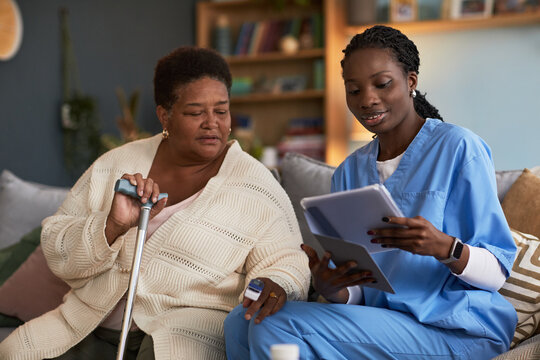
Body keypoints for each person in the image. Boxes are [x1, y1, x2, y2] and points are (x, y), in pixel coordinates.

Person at [224, 25, 517, 359]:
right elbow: (363, 291)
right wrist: (333, 288)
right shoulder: (349, 171)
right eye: (353, 89)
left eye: (382, 84)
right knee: (241, 320)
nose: (367, 100)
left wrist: (445, 247)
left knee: (274, 325)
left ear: (411, 82)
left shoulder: (459, 148)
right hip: (383, 324)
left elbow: (497, 274)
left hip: (458, 329)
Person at [0, 46, 310, 359]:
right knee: (16, 351)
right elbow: (57, 246)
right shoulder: (115, 164)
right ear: (165, 115)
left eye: (221, 110)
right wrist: (112, 227)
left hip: (184, 332)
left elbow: (285, 260)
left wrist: (279, 283)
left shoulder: (256, 184)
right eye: (195, 112)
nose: (211, 123)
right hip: (86, 323)